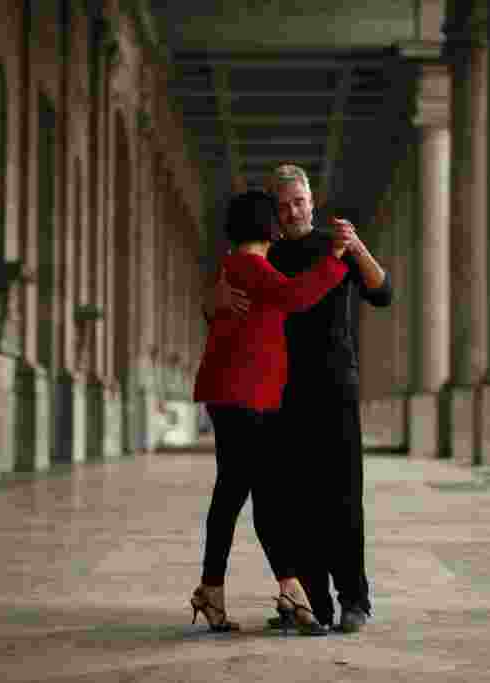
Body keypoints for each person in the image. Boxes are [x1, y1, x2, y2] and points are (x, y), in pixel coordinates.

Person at [208, 165, 393, 633]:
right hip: (279, 390)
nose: (292, 212)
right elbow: (219, 304)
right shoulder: (263, 252)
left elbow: (383, 292)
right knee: (295, 501)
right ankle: (314, 605)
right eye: (284, 204)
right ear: (273, 207)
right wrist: (219, 298)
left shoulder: (335, 243)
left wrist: (357, 247)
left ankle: (354, 599)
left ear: (313, 201)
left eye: (299, 202)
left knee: (343, 496)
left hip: (334, 384)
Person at [190, 189, 350, 636]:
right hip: (244, 395)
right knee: (256, 493)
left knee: (242, 493)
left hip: (239, 393)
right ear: (269, 227)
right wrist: (336, 259)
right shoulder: (251, 266)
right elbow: (297, 297)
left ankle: (223, 590)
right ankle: (287, 591)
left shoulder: (235, 267)